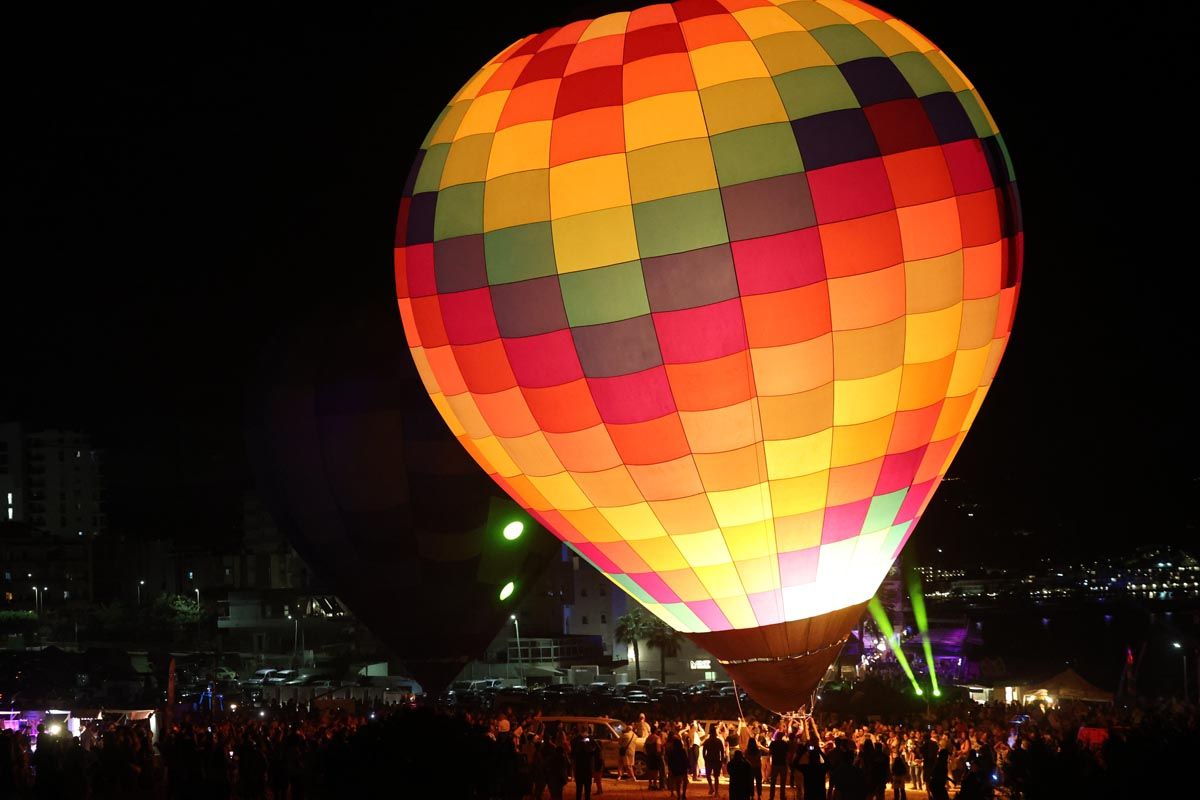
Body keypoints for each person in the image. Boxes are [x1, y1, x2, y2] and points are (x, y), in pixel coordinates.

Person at [572, 726, 596, 800]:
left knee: (579, 788)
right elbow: (595, 750)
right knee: (587, 788)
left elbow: (573, 752)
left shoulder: (576, 740)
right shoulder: (591, 739)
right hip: (588, 767)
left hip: (579, 767)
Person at [666, 731, 692, 800]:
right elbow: (685, 759)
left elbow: (670, 760)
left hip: (676, 768)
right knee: (684, 781)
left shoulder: (672, 751)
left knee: (678, 782)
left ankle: (679, 796)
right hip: (683, 768)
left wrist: (671, 768)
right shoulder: (682, 750)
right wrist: (688, 766)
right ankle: (683, 794)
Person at [704, 723, 727, 796]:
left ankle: (712, 788)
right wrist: (722, 759)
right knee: (716, 776)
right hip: (716, 760)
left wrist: (705, 758)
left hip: (709, 759)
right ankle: (716, 791)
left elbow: (703, 751)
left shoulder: (707, 741)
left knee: (708, 775)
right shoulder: (718, 741)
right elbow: (722, 751)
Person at [768, 731, 789, 800]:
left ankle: (771, 797)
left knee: (773, 782)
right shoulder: (785, 744)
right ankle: (782, 797)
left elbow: (770, 752)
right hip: (783, 764)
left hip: (775, 763)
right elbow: (787, 754)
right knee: (783, 782)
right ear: (782, 736)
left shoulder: (773, 743)